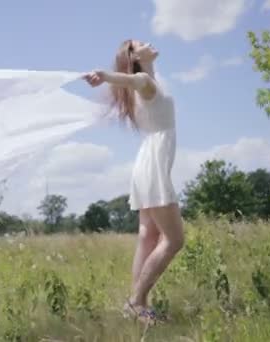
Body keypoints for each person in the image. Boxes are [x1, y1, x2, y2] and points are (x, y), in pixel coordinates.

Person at [84, 39, 185, 323]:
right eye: (139, 44)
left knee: (148, 237)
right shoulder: (143, 80)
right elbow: (131, 79)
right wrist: (105, 77)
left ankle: (138, 306)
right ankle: (136, 302)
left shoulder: (146, 83)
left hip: (146, 164)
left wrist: (112, 77)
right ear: (134, 58)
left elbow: (131, 80)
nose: (147, 42)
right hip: (152, 167)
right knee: (174, 240)